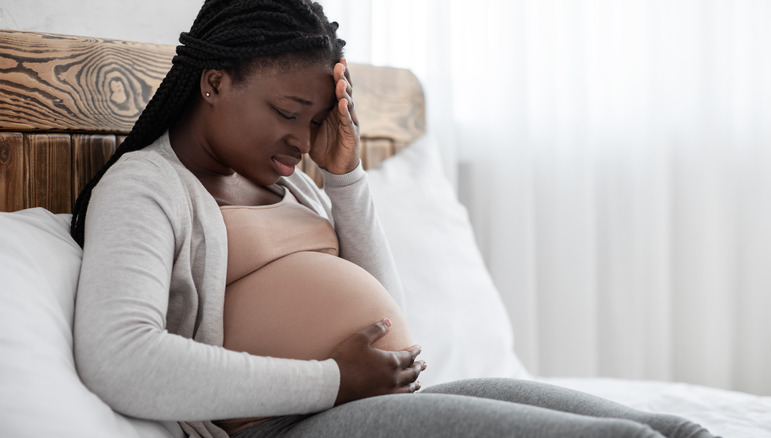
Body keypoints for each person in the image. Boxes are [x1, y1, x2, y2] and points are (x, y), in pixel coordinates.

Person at [71, 1, 718, 437]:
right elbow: (119, 358)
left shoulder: (291, 183)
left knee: (674, 432)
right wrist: (332, 381)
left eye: (317, 120)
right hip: (295, 425)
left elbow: (387, 307)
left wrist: (346, 176)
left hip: (371, 401)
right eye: (288, 111)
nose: (302, 139)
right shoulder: (148, 187)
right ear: (214, 85)